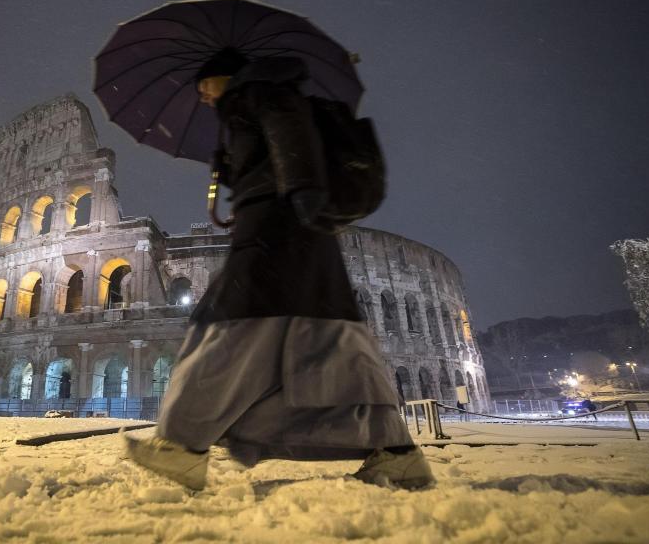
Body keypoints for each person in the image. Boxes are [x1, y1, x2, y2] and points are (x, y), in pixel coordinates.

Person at [124, 48, 434, 491]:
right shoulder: (250, 102)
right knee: (331, 341)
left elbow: (291, 133)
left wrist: (300, 187)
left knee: (226, 330)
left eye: (205, 87)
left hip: (276, 226)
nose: (203, 97)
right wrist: (231, 167)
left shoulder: (259, 91)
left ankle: (182, 447)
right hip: (295, 225)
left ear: (224, 77)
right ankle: (397, 454)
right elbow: (275, 151)